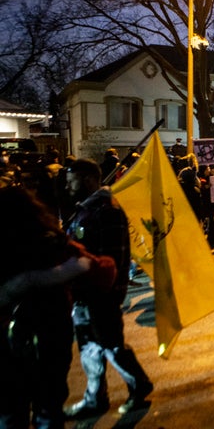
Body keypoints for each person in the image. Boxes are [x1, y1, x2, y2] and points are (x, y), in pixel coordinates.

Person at [0, 185, 111, 429]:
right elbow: (103, 271)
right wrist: (69, 271)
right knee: (49, 407)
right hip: (51, 333)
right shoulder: (53, 242)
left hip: (22, 341)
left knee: (10, 410)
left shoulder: (49, 242)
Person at [63, 158, 153, 418]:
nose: (68, 187)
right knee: (89, 347)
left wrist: (104, 291)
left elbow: (113, 259)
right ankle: (95, 398)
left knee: (111, 345)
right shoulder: (86, 209)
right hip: (82, 295)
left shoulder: (107, 210)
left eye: (73, 181)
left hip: (101, 295)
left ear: (89, 179)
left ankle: (139, 385)